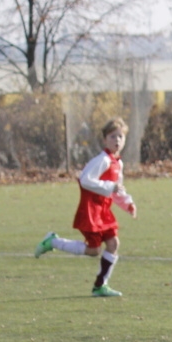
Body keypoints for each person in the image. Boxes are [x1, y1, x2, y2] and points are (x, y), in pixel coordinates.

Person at [34, 117, 137, 297]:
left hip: (103, 211)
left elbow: (117, 187)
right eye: (113, 136)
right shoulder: (102, 160)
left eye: (121, 136)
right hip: (91, 210)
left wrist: (127, 203)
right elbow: (85, 180)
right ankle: (53, 241)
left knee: (113, 243)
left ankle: (100, 286)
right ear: (105, 139)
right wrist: (109, 187)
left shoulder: (117, 163)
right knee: (93, 250)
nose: (117, 140)